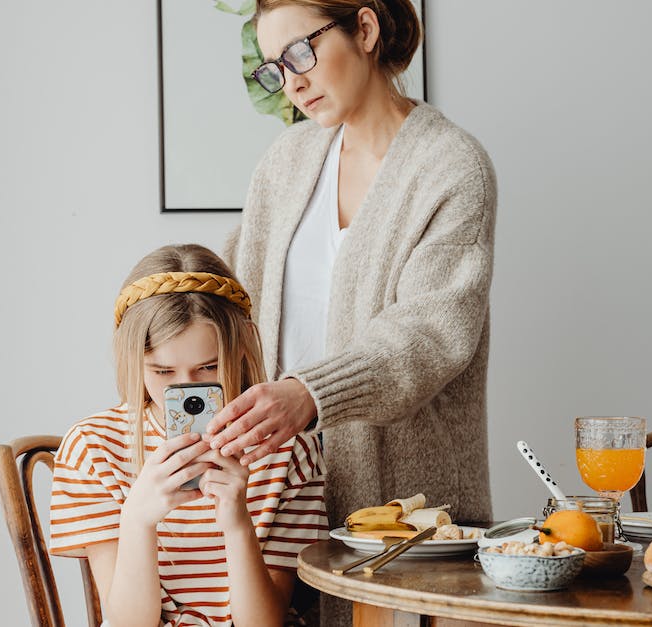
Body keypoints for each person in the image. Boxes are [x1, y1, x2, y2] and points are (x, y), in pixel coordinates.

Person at [209, 0, 497, 559]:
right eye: (276, 68)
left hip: (409, 513)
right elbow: (230, 292)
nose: (292, 83)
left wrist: (310, 393)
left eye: (300, 52)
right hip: (283, 499)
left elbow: (428, 336)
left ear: (364, 29)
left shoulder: (451, 165)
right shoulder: (286, 161)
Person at [48, 244, 328, 627]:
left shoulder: (288, 449)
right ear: (133, 360)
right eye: (162, 372)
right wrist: (136, 520)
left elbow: (263, 624)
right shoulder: (92, 448)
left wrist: (238, 524)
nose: (185, 391)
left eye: (208, 367)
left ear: (243, 346)